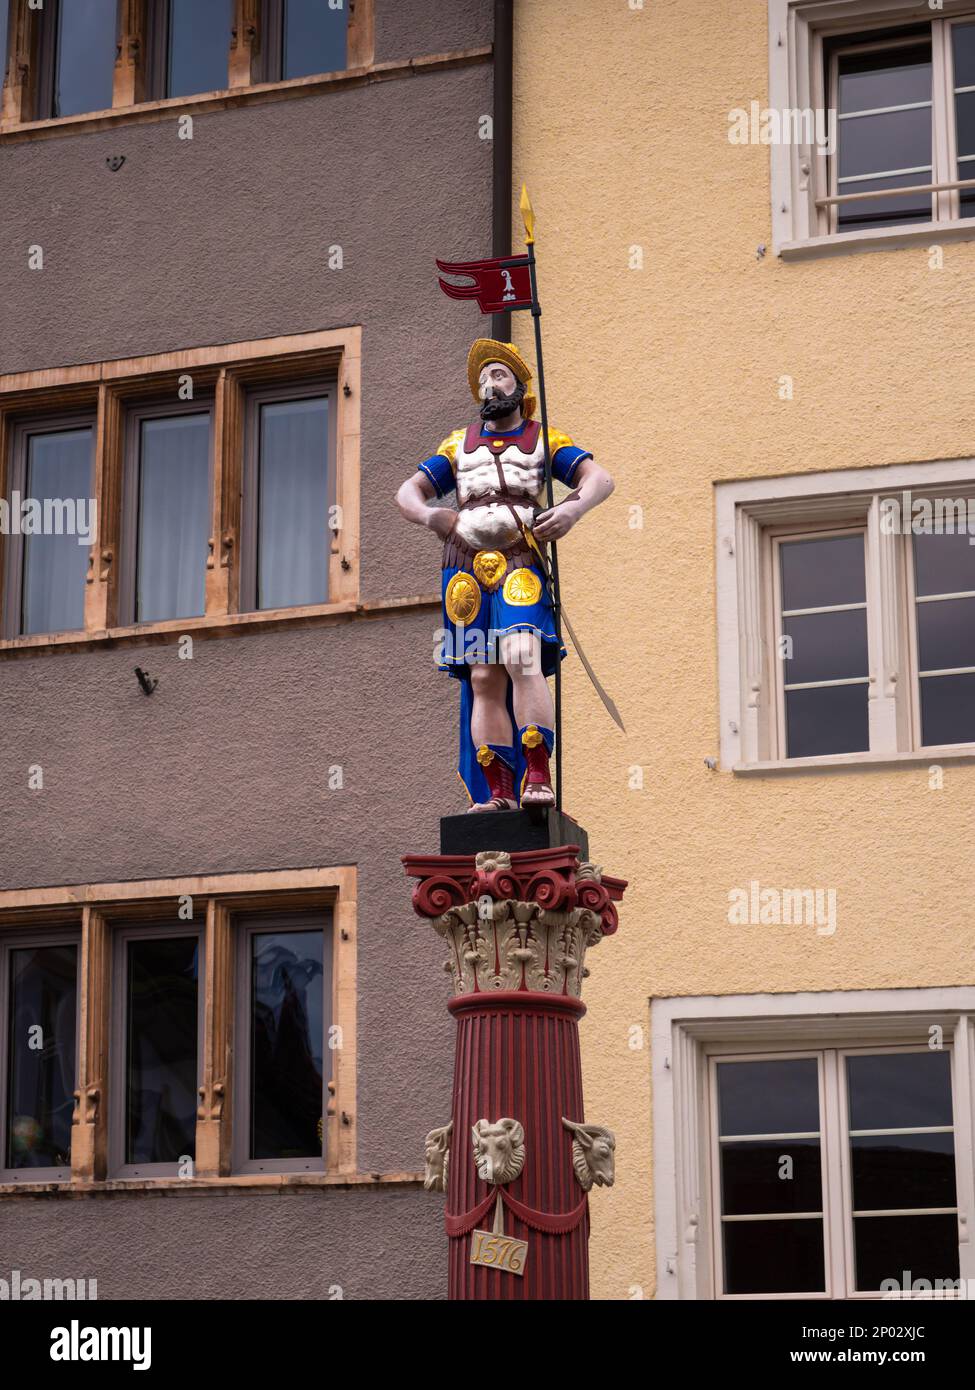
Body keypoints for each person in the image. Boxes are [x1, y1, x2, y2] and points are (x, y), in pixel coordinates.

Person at [396, 338, 614, 811]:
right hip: (465, 565)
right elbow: (407, 493)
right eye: (482, 381)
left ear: (519, 383)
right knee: (482, 677)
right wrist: (429, 515)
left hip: (520, 558)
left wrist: (572, 511)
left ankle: (537, 773)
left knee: (520, 656)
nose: (488, 387)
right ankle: (497, 790)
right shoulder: (457, 444)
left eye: (497, 376)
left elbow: (599, 480)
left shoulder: (544, 438)